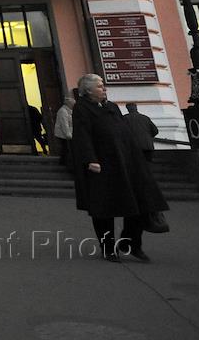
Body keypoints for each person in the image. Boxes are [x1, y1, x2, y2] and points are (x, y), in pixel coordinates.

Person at [72, 74, 168, 263]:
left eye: (103, 85)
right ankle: (108, 248)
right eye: (99, 86)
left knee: (139, 204)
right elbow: (82, 135)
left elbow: (124, 133)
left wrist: (136, 157)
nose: (104, 88)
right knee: (104, 209)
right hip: (102, 166)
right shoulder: (82, 108)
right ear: (88, 91)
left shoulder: (112, 107)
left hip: (126, 162)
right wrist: (90, 159)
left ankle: (130, 243)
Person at [53, 90, 77, 171]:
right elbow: (64, 125)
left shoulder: (70, 110)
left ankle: (64, 162)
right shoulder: (63, 111)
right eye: (73, 102)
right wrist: (68, 135)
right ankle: (64, 163)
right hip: (63, 134)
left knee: (66, 149)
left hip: (68, 133)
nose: (74, 103)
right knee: (66, 149)